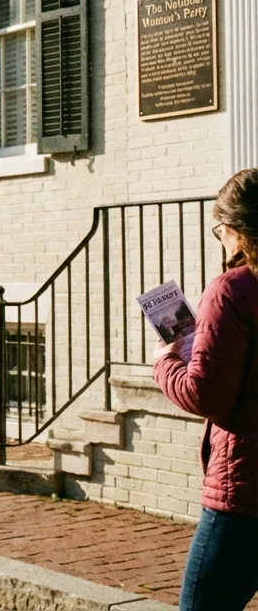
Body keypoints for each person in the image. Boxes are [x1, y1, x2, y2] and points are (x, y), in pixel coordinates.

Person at [154, 168, 258, 611]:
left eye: (221, 231)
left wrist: (165, 363)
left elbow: (206, 395)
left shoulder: (232, 290)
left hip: (246, 494)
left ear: (234, 230)